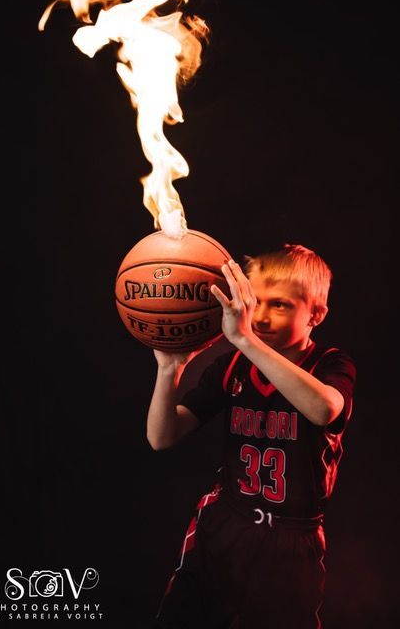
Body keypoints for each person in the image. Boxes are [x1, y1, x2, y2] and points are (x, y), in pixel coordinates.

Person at [147, 244, 356, 629]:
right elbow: (162, 436)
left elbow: (323, 408)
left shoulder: (331, 364)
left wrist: (245, 340)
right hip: (226, 523)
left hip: (292, 538)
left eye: (279, 305)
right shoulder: (231, 368)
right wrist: (168, 370)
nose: (259, 316)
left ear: (316, 314)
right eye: (254, 301)